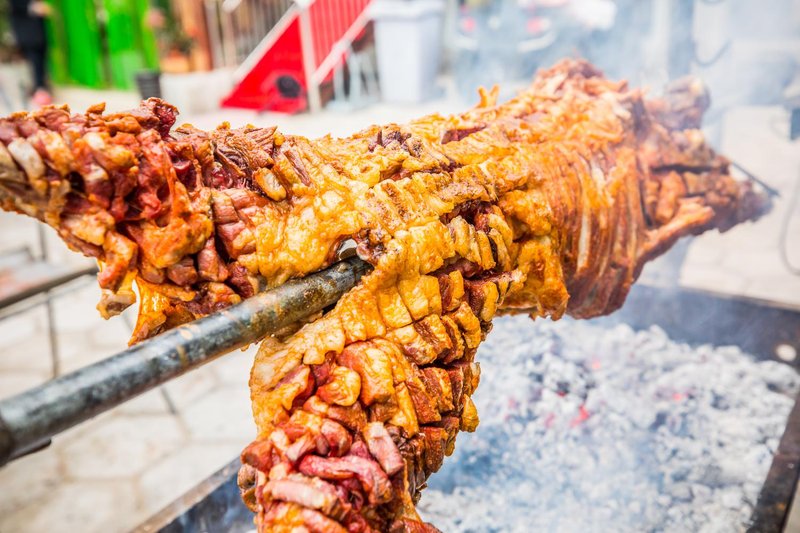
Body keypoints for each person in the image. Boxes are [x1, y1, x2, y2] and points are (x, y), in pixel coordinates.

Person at [9, 0, 52, 107]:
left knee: (39, 58)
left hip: (37, 31)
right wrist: (34, 7)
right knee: (34, 59)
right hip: (27, 31)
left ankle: (39, 89)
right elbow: (16, 5)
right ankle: (39, 89)